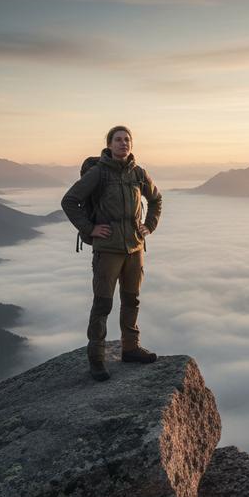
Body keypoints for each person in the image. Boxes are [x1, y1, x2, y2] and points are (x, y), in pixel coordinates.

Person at [61, 125, 162, 381]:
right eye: (118, 140)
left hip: (134, 248)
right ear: (109, 145)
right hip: (108, 250)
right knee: (103, 304)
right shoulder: (98, 173)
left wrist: (148, 226)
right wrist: (90, 228)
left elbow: (156, 199)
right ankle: (97, 358)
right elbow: (69, 201)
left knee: (132, 300)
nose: (123, 143)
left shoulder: (138, 173)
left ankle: (130, 348)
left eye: (127, 140)